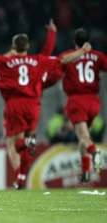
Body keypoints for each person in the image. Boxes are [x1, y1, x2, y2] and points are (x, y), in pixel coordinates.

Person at [0, 35, 91, 189]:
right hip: (34, 105)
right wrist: (82, 51)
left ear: (13, 47)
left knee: (12, 143)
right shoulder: (38, 60)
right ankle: (21, 177)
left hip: (15, 104)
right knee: (29, 139)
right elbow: (64, 59)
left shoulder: (5, 61)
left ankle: (21, 164)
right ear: (28, 46)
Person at [59, 28, 107, 182]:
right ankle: (85, 172)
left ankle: (95, 154)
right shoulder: (98, 56)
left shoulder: (69, 55)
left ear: (74, 42)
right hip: (93, 101)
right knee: (84, 139)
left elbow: (61, 61)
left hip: (77, 101)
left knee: (84, 137)